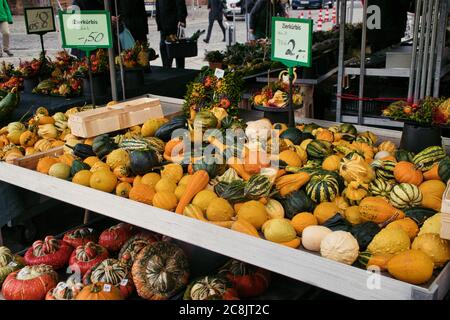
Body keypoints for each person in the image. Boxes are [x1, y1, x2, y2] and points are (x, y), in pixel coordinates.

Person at [156, 0, 188, 69]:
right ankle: (167, 69)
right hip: (164, 26)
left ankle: (180, 71)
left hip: (174, 25)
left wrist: (181, 19)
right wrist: (159, 23)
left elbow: (180, 3)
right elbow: (158, 6)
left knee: (178, 50)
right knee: (164, 48)